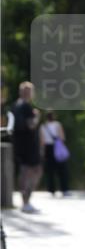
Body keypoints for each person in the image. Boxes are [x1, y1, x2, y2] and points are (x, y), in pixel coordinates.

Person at [10, 82, 43, 213]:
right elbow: (31, 125)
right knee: (35, 171)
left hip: (18, 143)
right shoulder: (26, 107)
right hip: (29, 145)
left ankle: (25, 202)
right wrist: (37, 116)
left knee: (24, 171)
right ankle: (26, 201)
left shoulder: (15, 105)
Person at [40, 112, 70, 196]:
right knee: (62, 170)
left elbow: (42, 141)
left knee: (50, 171)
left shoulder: (43, 126)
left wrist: (43, 152)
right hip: (57, 148)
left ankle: (51, 190)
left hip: (48, 148)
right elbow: (62, 137)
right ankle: (64, 189)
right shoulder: (57, 124)